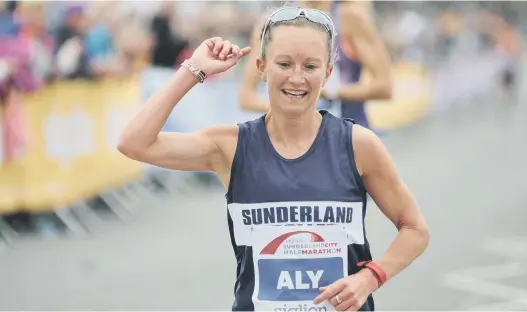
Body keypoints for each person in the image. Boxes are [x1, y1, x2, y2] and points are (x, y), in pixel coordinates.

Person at [118, 7, 429, 311]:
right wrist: (193, 70)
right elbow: (134, 143)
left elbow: (414, 229)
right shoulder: (231, 146)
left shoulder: (357, 144)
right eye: (284, 63)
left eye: (310, 66)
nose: (296, 78)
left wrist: (369, 279)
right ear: (262, 68)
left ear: (328, 73)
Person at [238, 1, 393, 129]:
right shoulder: (272, 23)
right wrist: (294, 110)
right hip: (291, 142)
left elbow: (384, 87)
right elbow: (247, 97)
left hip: (347, 140)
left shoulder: (350, 17)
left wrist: (330, 92)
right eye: (285, 64)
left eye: (310, 67)